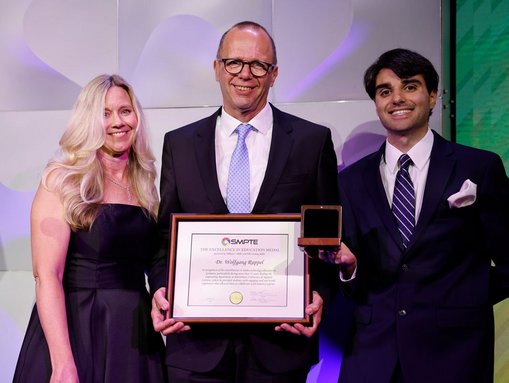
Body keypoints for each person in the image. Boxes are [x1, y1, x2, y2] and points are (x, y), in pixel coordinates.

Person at [150, 21, 339, 382]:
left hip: (281, 347)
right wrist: (161, 289)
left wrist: (320, 296)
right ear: (217, 68)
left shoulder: (310, 141)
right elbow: (165, 237)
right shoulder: (180, 143)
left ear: (274, 74)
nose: (245, 74)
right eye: (234, 62)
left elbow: (326, 237)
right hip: (195, 347)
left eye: (258, 65)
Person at [322, 48, 509, 382]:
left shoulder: (479, 167)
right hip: (371, 357)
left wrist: (464, 299)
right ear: (376, 102)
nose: (397, 98)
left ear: (433, 96)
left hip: (455, 353)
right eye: (385, 91)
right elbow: (352, 280)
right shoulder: (350, 181)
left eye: (410, 86)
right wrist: (349, 271)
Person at [13, 75, 167, 382]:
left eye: (125, 110)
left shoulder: (146, 183)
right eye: (105, 113)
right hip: (78, 327)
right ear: (88, 121)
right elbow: (48, 276)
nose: (118, 122)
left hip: (134, 333)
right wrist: (62, 363)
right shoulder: (62, 180)